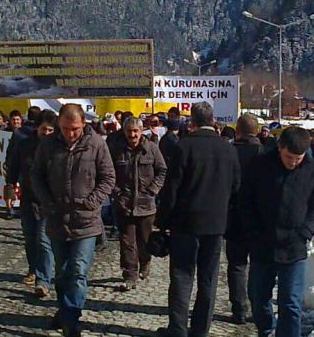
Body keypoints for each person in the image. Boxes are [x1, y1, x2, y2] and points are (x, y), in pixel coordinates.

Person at [157, 102, 240, 337]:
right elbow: (236, 188)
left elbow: (171, 190)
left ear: (191, 121)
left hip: (185, 223)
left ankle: (178, 329)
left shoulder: (184, 147)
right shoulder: (228, 150)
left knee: (182, 277)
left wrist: (162, 223)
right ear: (214, 121)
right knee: (208, 278)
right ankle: (201, 330)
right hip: (215, 225)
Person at [31, 103, 115, 336]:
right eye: (66, 128)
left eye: (75, 129)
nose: (70, 133)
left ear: (83, 125)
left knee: (78, 270)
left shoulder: (96, 144)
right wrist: (47, 201)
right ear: (59, 125)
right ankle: (65, 308)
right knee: (62, 270)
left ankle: (71, 319)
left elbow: (108, 177)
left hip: (86, 220)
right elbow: (36, 175)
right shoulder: (48, 145)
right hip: (57, 217)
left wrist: (92, 201)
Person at [242, 126, 314, 337]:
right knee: (258, 297)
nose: (293, 162)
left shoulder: (311, 169)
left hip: (295, 247)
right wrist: (252, 232)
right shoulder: (259, 165)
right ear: (280, 148)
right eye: (289, 157)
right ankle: (266, 330)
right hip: (263, 244)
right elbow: (245, 201)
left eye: (298, 158)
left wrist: (305, 232)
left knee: (290, 302)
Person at [109, 117, 167, 291]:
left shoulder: (151, 149)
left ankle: (145, 261)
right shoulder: (117, 150)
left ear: (141, 131)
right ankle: (129, 275)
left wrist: (153, 190)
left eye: (135, 131)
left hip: (146, 205)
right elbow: (108, 173)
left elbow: (162, 171)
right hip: (124, 203)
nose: (132, 134)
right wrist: (116, 192)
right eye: (129, 131)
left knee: (144, 240)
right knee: (127, 242)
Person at [6, 110, 57, 296]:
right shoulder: (25, 144)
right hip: (28, 198)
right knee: (30, 238)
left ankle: (43, 281)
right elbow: (13, 166)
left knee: (44, 240)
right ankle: (33, 269)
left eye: (51, 130)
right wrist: (10, 187)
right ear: (37, 128)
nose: (48, 134)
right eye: (45, 129)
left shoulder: (57, 147)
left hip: (48, 201)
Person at [224, 114, 264, 325]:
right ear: (257, 131)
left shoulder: (229, 153)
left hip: (235, 216)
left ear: (237, 131)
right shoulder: (267, 154)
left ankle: (239, 309)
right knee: (258, 265)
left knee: (237, 265)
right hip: (260, 219)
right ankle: (258, 308)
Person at [4, 106, 41, 219]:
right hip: (37, 167)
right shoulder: (41, 132)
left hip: (22, 167)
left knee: (25, 192)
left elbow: (11, 151)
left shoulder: (19, 132)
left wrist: (9, 163)